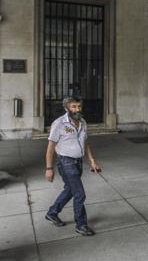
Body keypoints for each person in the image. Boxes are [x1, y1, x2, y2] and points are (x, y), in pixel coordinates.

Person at [44, 96, 101, 236]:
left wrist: (92, 161)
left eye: (79, 106)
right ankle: (81, 225)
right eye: (73, 106)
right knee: (79, 193)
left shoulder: (82, 122)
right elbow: (50, 147)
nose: (77, 109)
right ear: (66, 108)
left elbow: (85, 143)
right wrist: (49, 169)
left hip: (78, 162)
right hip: (66, 162)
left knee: (70, 189)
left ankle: (52, 213)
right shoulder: (59, 124)